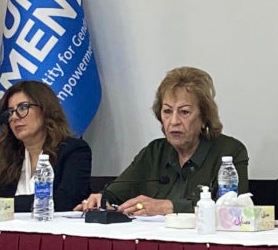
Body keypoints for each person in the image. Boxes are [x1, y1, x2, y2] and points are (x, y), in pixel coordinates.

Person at [76, 66, 248, 216]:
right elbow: (115, 193)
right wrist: (101, 199)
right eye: (167, 111)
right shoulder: (154, 152)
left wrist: (170, 207)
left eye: (184, 112)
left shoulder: (229, 151)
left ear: (204, 117)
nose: (173, 121)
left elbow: (232, 210)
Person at [0, 80, 92, 212]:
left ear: (45, 109)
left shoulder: (74, 151)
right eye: (10, 112)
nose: (14, 117)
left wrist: (3, 205)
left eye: (23, 108)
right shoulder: (6, 158)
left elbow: (66, 201)